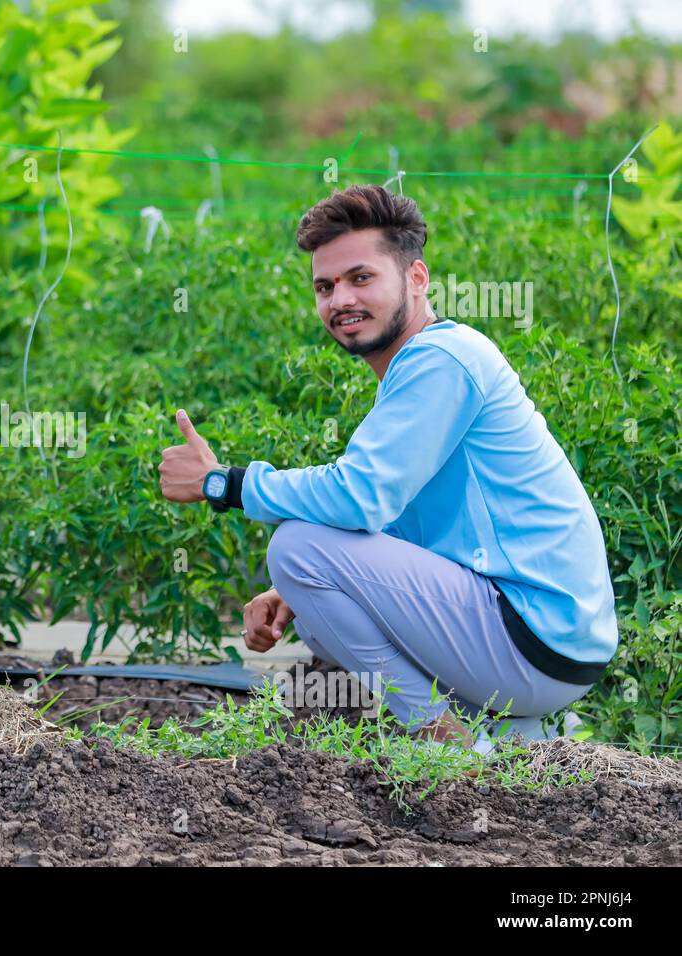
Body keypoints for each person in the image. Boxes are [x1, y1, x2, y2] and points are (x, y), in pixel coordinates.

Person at [158, 183, 617, 752]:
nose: (339, 299)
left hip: (533, 635)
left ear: (416, 278)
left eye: (360, 278)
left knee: (296, 546)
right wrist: (292, 594)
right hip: (547, 649)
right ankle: (510, 734)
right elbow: (393, 522)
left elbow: (360, 500)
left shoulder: (443, 360)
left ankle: (451, 744)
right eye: (324, 286)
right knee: (317, 610)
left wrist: (220, 483)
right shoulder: (417, 369)